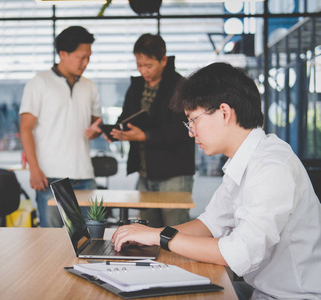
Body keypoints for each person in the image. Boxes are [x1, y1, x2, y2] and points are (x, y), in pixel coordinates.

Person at [111, 62, 321, 299]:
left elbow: (239, 254)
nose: (191, 132)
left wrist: (159, 237)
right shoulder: (244, 158)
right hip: (261, 290)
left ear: (224, 112)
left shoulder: (271, 167)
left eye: (193, 120)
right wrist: (150, 236)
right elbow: (209, 225)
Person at [106, 33, 195, 227]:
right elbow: (126, 117)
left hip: (174, 173)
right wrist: (118, 131)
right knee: (147, 231)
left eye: (148, 65)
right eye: (139, 65)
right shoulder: (137, 86)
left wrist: (144, 135)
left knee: (175, 230)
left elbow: (181, 129)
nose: (143, 71)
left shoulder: (180, 85)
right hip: (145, 172)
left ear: (163, 60)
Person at [19, 26, 102, 228]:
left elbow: (95, 125)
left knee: (92, 238)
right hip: (49, 176)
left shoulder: (90, 86)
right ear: (63, 54)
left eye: (88, 57)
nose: (85, 63)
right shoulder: (39, 82)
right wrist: (34, 169)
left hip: (84, 175)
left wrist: (95, 131)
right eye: (81, 57)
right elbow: (25, 128)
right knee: (50, 240)